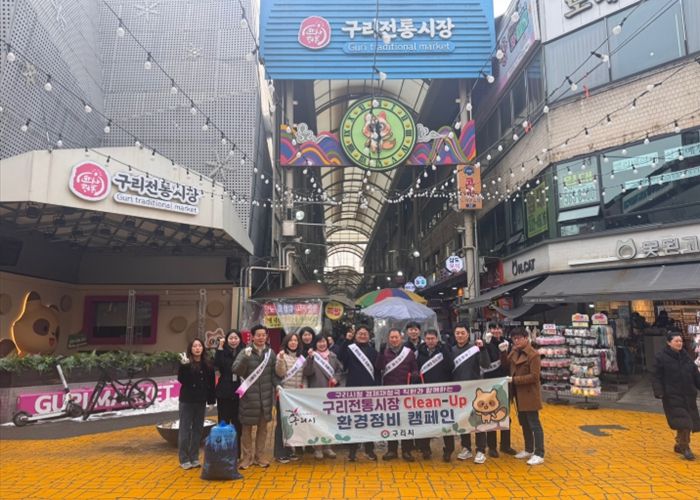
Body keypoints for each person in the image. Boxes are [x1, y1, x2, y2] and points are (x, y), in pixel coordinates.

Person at [232, 324, 278, 469]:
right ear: (252, 337)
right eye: (258, 335)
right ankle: (247, 458)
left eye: (263, 335)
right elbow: (236, 370)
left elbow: (274, 374)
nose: (261, 338)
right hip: (248, 399)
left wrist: (278, 386)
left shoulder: (271, 353)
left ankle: (260, 456)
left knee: (263, 430)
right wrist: (245, 359)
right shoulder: (245, 352)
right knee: (246, 430)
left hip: (265, 399)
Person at [500, 327, 545, 465]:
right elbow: (505, 365)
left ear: (526, 338)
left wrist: (514, 380)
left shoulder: (533, 354)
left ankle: (539, 453)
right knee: (524, 422)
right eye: (514, 338)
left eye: (519, 338)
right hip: (518, 394)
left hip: (529, 394)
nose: (517, 341)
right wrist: (503, 352)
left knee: (534, 423)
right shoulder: (514, 351)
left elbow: (534, 377)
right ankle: (528, 449)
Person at [652, 331, 700, 460]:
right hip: (672, 396)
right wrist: (659, 391)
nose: (679, 343)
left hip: (688, 395)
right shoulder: (661, 357)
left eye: (681, 341)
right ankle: (685, 447)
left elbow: (695, 374)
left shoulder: (686, 356)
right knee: (685, 422)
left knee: (683, 421)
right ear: (669, 342)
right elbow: (656, 376)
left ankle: (679, 444)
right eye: (676, 341)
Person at [377, 328, 419, 462]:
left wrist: (415, 375)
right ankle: (392, 450)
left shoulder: (409, 353)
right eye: (392, 337)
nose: (394, 340)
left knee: (406, 422)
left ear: (401, 338)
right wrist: (380, 353)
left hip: (406, 393)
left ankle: (406, 450)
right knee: (392, 422)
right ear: (388, 339)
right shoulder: (385, 352)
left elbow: (415, 369)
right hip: (389, 393)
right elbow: (378, 367)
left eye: (396, 337)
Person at [337, 324, 378, 462]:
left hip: (369, 389)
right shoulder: (349, 348)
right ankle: (352, 451)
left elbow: (377, 370)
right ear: (356, 335)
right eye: (360, 333)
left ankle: (369, 449)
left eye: (365, 333)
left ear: (369, 336)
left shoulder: (373, 351)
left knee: (369, 420)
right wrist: (346, 340)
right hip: (353, 389)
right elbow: (340, 357)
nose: (362, 336)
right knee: (354, 420)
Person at [450, 323, 490, 463]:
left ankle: (480, 450)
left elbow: (486, 364)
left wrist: (483, 349)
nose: (460, 335)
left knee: (478, 420)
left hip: (475, 390)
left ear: (468, 334)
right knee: (463, 421)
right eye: (457, 333)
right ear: (454, 335)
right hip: (459, 392)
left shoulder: (475, 349)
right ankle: (466, 447)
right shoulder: (452, 350)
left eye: (463, 333)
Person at [416, 328, 454, 461]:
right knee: (426, 421)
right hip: (425, 394)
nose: (430, 341)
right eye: (428, 339)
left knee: (446, 421)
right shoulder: (419, 352)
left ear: (437, 339)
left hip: (443, 392)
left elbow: (450, 366)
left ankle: (448, 450)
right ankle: (425, 449)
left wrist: (444, 351)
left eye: (433, 338)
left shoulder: (443, 350)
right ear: (424, 339)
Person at [177, 338, 216, 470]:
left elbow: (211, 384)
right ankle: (183, 458)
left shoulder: (208, 365)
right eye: (194, 346)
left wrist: (211, 401)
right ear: (191, 349)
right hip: (187, 401)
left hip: (201, 401)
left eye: (199, 346)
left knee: (198, 430)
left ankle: (194, 457)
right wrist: (184, 366)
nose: (197, 348)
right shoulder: (186, 362)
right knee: (185, 430)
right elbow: (182, 380)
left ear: (203, 348)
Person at [304, 333, 343, 459]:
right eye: (319, 342)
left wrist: (336, 378)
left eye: (324, 341)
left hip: (330, 394)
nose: (322, 344)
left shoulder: (333, 356)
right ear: (315, 344)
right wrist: (310, 359)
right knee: (318, 422)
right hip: (316, 393)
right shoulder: (312, 356)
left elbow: (339, 370)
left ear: (327, 342)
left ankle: (328, 447)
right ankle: (318, 448)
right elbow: (307, 372)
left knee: (329, 421)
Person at [482, 323, 517, 457]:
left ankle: (505, 445)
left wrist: (504, 352)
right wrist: (485, 346)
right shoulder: (486, 343)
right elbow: (484, 363)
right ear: (489, 330)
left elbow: (509, 365)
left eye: (498, 328)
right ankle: (492, 447)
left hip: (504, 384)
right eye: (493, 328)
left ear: (502, 330)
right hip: (489, 384)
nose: (496, 331)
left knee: (505, 415)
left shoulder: (507, 343)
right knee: (491, 415)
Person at [273, 332, 306, 463]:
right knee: (282, 424)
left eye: (295, 340)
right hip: (285, 396)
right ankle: (279, 453)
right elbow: (280, 373)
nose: (293, 343)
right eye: (291, 340)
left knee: (293, 424)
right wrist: (281, 359)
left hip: (297, 397)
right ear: (286, 343)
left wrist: (304, 389)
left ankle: (289, 450)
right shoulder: (281, 356)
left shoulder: (301, 358)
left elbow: (304, 377)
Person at [214, 330, 244, 454]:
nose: (233, 341)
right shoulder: (222, 352)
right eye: (231, 338)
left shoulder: (244, 352)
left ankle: (236, 453)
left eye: (236, 338)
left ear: (240, 339)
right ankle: (222, 452)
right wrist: (220, 348)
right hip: (224, 393)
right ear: (226, 340)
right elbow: (217, 365)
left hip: (239, 393)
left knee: (238, 424)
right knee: (223, 422)